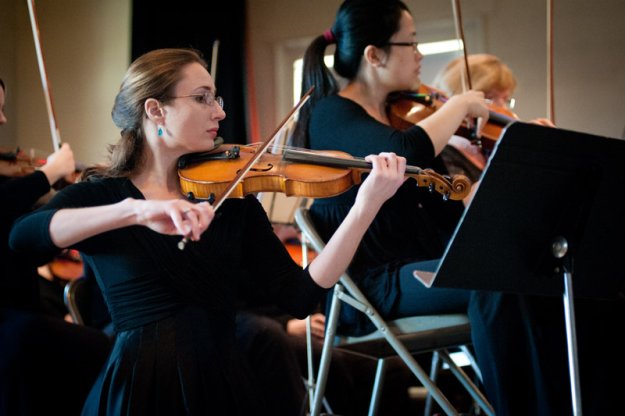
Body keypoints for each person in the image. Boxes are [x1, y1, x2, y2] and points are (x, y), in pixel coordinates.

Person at [9, 48, 407, 415]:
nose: (219, 112)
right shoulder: (107, 196)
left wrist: (365, 206)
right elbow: (24, 238)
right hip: (141, 388)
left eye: (216, 98)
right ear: (155, 109)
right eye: (202, 98)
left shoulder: (230, 198)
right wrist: (132, 212)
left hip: (224, 384)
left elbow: (301, 295)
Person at [433, 55, 625, 415]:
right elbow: (476, 223)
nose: (504, 110)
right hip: (481, 268)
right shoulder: (442, 156)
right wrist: (510, 165)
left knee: (601, 285)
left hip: (532, 261)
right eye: (492, 98)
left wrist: (547, 160)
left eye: (507, 99)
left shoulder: (497, 148)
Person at [291, 0, 488, 340]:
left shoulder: (400, 116)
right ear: (374, 55)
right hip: (373, 286)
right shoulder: (330, 114)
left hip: (422, 266)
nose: (419, 54)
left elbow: (447, 203)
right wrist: (459, 104)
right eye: (410, 42)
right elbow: (403, 152)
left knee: (523, 277)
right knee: (493, 285)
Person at [0, 78, 112, 415]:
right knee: (96, 349)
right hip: (8, 321)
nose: (3, 119)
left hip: (22, 312)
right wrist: (47, 174)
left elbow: (24, 242)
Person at [432, 53, 554, 181]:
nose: (503, 109)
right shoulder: (444, 151)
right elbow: (464, 200)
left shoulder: (487, 147)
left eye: (505, 99)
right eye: (489, 98)